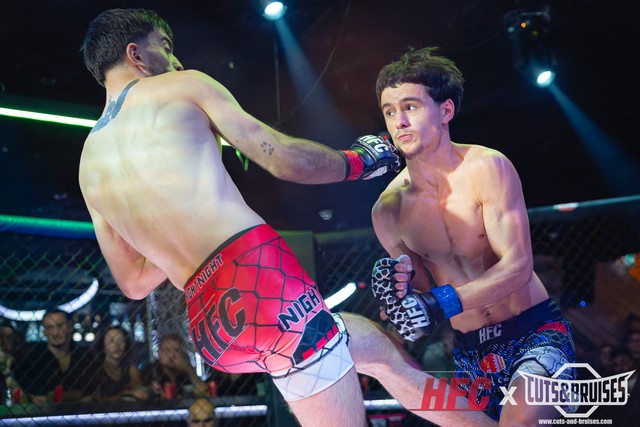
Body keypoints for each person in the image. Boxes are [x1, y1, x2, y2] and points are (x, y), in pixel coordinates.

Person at [79, 9, 494, 426]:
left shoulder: (88, 163)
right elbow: (282, 159)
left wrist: (171, 237)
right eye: (166, 48)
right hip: (260, 280)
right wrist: (358, 162)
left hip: (210, 324)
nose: (175, 61)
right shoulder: (182, 86)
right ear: (136, 54)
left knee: (379, 352)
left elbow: (133, 282)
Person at [369, 47, 576, 424]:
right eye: (390, 111)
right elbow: (419, 303)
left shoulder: (487, 168)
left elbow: (518, 266)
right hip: (469, 352)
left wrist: (439, 303)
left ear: (445, 110)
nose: (400, 121)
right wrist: (397, 299)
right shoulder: (387, 210)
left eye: (410, 107)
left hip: (533, 331)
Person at [12, 308, 94, 404]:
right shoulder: (31, 361)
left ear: (70, 326)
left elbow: (92, 390)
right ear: (44, 332)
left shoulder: (84, 357)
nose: (56, 332)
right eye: (50, 327)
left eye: (60, 325)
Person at [90, 325, 150, 401]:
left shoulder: (130, 368)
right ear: (102, 344)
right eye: (111, 341)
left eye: (121, 340)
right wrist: (123, 397)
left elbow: (139, 394)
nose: (117, 345)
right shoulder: (95, 370)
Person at [142, 333, 208, 400]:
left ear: (182, 353)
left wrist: (188, 369)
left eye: (176, 350)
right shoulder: (151, 370)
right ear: (159, 352)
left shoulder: (184, 373)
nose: (171, 356)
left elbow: (205, 391)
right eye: (167, 350)